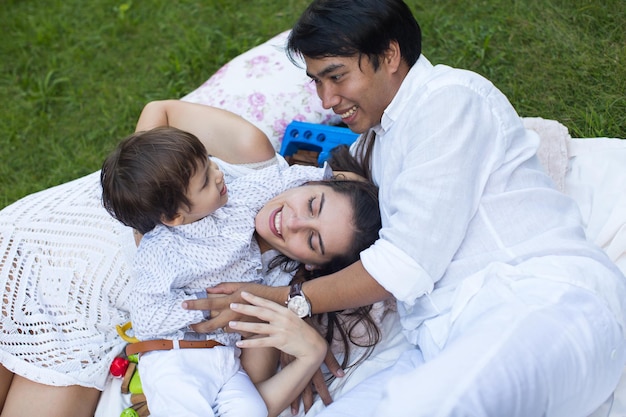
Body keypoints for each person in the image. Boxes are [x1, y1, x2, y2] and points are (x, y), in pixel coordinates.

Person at [183, 1, 626, 416]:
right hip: (439, 343)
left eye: (336, 77)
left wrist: (289, 303)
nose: (327, 101)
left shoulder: (448, 100)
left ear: (390, 55)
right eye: (317, 82)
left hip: (540, 301)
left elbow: (403, 266)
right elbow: (297, 192)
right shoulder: (377, 142)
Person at [0, 99, 382, 417]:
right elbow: (160, 112)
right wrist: (146, 201)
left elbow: (245, 391)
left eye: (312, 240)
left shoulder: (264, 292)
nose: (293, 222)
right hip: (40, 250)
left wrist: (303, 346)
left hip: (81, 333)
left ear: (314, 264)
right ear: (313, 179)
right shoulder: (253, 158)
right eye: (312, 203)